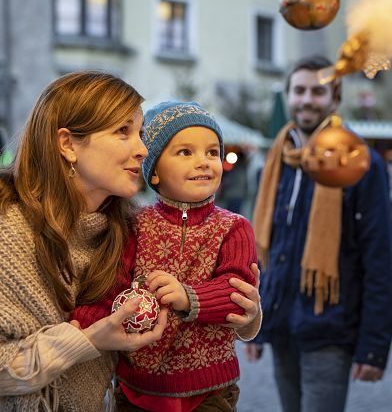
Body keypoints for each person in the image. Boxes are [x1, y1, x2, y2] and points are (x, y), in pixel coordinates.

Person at [0, 71, 260, 412]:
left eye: (140, 133)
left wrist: (249, 316)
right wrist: (88, 337)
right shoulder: (10, 231)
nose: (142, 148)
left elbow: (230, 295)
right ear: (67, 144)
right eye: (123, 132)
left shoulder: (119, 226)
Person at [72, 100, 262, 412]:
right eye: (185, 152)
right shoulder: (134, 224)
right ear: (155, 171)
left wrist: (188, 296)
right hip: (137, 387)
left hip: (209, 391)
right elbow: (110, 286)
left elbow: (236, 292)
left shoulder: (234, 227)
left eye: (212, 152)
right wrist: (83, 324)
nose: (204, 162)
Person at [246, 55, 392, 412]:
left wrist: (373, 346)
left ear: (335, 99)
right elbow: (263, 251)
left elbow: (380, 257)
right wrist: (257, 325)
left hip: (330, 326)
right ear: (288, 96)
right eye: (299, 91)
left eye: (318, 91)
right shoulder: (277, 159)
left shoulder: (359, 162)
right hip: (280, 321)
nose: (307, 99)